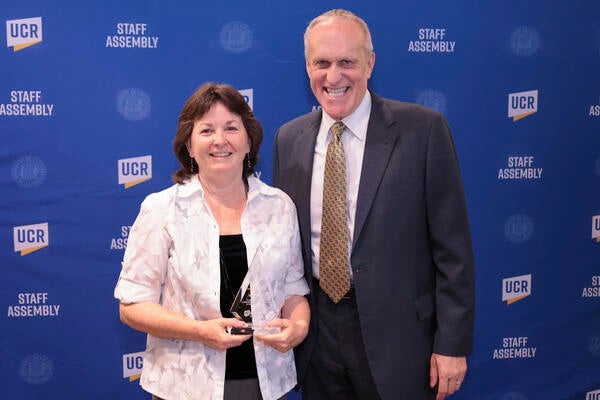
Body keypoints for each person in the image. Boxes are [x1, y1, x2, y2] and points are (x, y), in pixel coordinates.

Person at [272, 9, 475, 400]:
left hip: (401, 341)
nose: (333, 77)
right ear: (307, 66)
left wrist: (451, 344)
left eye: (347, 62)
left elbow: (454, 252)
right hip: (317, 339)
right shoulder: (289, 138)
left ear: (370, 63)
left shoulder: (423, 131)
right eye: (322, 63)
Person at [115, 82, 310, 400]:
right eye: (206, 131)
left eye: (231, 128)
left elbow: (293, 290)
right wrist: (199, 331)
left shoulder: (280, 207)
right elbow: (132, 306)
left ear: (249, 141)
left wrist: (299, 327)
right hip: (185, 386)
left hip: (265, 384)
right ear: (189, 146)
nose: (220, 140)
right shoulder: (161, 209)